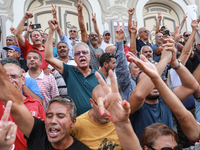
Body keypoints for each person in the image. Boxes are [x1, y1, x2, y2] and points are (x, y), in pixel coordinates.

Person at [0, 67, 91, 150]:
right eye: (49, 116)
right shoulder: (38, 133)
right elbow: (16, 103)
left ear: (73, 122)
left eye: (60, 116)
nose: (53, 121)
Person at [44, 19, 104, 116]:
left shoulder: (98, 75)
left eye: (84, 53)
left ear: (89, 56)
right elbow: (48, 57)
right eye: (77, 53)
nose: (81, 55)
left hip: (96, 121)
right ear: (74, 59)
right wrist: (51, 31)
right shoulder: (69, 71)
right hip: (76, 122)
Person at [0, 63, 46, 150]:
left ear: (23, 79)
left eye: (14, 76)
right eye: (6, 78)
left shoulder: (36, 104)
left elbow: (44, 134)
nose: (10, 80)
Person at [70, 85, 122, 149]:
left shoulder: (120, 121)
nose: (106, 112)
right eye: (101, 106)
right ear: (92, 102)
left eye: (111, 105)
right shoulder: (77, 125)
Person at [115, 20, 140, 101]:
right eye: (136, 67)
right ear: (130, 72)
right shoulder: (127, 83)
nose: (140, 70)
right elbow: (121, 68)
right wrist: (119, 42)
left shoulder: (148, 82)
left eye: (141, 68)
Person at [77, 0, 104, 70]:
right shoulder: (87, 45)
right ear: (89, 38)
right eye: (92, 36)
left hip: (98, 75)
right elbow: (83, 29)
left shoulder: (101, 50)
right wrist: (80, 12)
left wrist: (102, 58)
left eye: (96, 36)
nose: (94, 37)